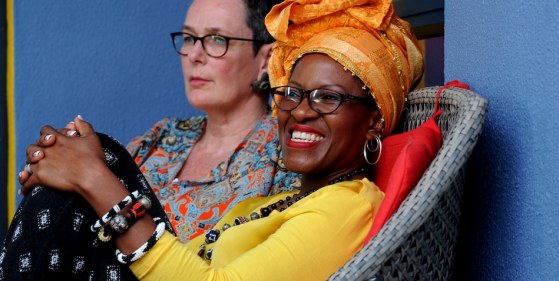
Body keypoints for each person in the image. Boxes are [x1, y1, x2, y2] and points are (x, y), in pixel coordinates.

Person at [4, 0, 423, 280]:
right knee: (88, 164)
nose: (195, 54)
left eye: (327, 98)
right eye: (292, 94)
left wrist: (92, 179)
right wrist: (71, 165)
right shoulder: (165, 135)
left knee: (92, 170)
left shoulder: (338, 202)